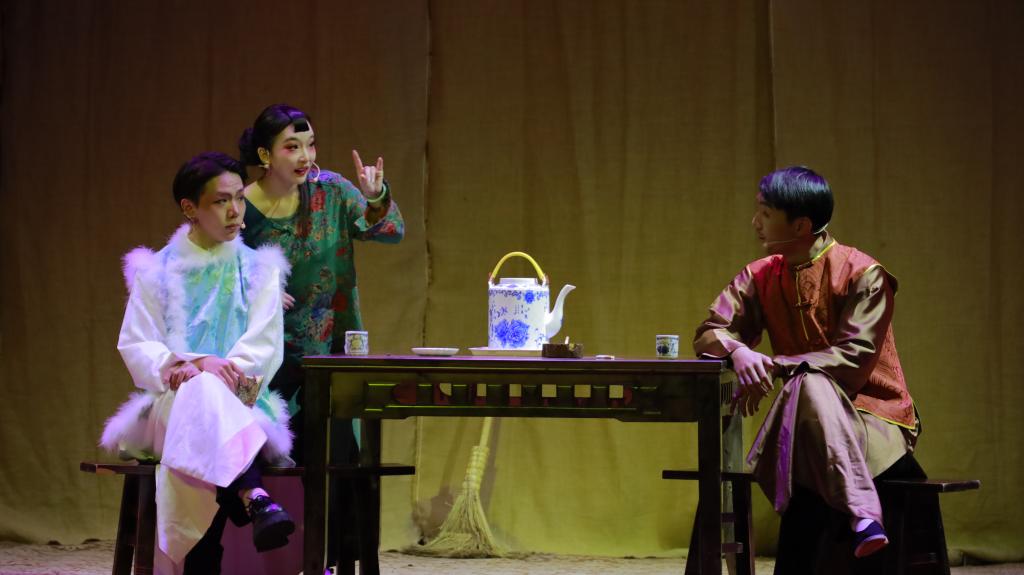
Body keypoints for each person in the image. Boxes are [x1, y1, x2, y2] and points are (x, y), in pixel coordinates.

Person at [693, 166, 920, 560]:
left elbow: (852, 361)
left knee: (809, 381)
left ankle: (857, 514)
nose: (755, 223)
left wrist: (775, 366)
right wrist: (739, 352)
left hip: (872, 416)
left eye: (765, 214)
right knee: (807, 385)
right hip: (805, 418)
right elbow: (710, 332)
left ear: (800, 225)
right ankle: (863, 515)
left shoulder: (864, 275)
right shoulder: (761, 275)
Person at [100, 152, 295, 574]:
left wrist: (213, 374)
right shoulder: (157, 271)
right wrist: (192, 363)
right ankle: (252, 495)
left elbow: (264, 347)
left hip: (242, 399)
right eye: (221, 201)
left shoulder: (259, 269)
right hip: (169, 401)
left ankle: (204, 557)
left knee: (206, 398)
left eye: (240, 198)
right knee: (199, 394)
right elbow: (137, 343)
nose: (235, 211)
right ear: (190, 208)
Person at [237, 104, 404, 565]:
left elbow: (391, 231)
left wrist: (375, 195)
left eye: (310, 145)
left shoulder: (330, 190)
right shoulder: (241, 206)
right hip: (264, 352)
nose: (305, 156)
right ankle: (263, 557)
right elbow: (219, 268)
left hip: (333, 345)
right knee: (256, 446)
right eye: (292, 146)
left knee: (337, 457)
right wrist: (257, 288)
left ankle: (332, 562)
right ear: (265, 155)